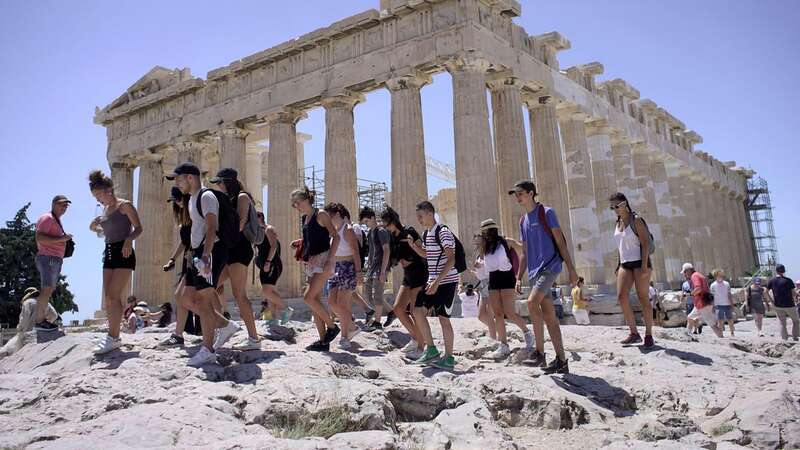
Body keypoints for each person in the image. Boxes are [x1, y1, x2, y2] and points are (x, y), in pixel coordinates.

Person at [168, 162, 242, 366]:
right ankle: (226, 325)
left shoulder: (206, 196)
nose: (176, 183)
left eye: (178, 178)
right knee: (184, 298)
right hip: (197, 253)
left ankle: (208, 349)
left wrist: (207, 256)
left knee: (203, 300)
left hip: (210, 252)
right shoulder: (192, 199)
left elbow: (212, 227)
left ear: (190, 177)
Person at [510, 180, 577, 374]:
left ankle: (539, 352)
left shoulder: (547, 213)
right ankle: (561, 360)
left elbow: (560, 242)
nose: (517, 197)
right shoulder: (523, 221)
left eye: (520, 193)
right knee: (549, 315)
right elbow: (524, 251)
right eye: (516, 194)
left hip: (550, 267)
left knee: (531, 303)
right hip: (534, 271)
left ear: (531, 193)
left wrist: (571, 269)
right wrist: (518, 276)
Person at [88, 170, 142, 355]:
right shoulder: (104, 210)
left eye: (99, 195)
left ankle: (113, 337)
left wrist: (129, 240)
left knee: (113, 294)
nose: (98, 200)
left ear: (109, 190)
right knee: (110, 298)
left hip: (124, 252)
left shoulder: (124, 206)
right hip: (108, 252)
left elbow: (139, 228)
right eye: (95, 197)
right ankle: (113, 336)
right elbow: (105, 232)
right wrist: (94, 226)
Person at [210, 168, 261, 350]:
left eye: (220, 182)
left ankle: (254, 339)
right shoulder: (227, 198)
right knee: (209, 287)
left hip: (239, 249)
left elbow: (239, 224)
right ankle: (224, 326)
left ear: (228, 181)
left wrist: (219, 236)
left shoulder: (242, 197)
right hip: (228, 248)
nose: (218, 186)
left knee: (240, 295)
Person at [407, 201, 460, 369]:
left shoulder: (443, 232)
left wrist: (437, 282)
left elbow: (451, 259)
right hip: (433, 282)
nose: (419, 220)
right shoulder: (427, 233)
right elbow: (428, 255)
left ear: (430, 213)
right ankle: (431, 350)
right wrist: (413, 247)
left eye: (421, 216)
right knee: (417, 311)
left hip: (446, 282)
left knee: (444, 319)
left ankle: (449, 358)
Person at [292, 186, 341, 351]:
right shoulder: (305, 218)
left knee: (308, 298)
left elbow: (335, 236)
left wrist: (330, 259)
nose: (295, 206)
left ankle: (332, 327)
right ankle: (323, 342)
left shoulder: (321, 214)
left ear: (306, 200)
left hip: (323, 260)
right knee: (315, 302)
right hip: (312, 262)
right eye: (294, 204)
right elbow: (313, 237)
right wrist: (300, 242)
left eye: (297, 203)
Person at [476, 218, 533, 360]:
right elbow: (489, 263)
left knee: (509, 312)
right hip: (493, 279)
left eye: (489, 231)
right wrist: (479, 265)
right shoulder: (485, 247)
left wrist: (520, 273)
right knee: (498, 314)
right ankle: (503, 345)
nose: (487, 234)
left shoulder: (506, 241)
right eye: (485, 232)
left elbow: (523, 252)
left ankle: (527, 333)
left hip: (507, 278)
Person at [609, 192, 655, 348]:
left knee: (643, 299)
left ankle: (649, 334)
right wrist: (618, 264)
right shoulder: (618, 222)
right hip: (625, 263)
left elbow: (645, 243)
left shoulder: (636, 219)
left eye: (616, 206)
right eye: (612, 207)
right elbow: (620, 246)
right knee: (621, 297)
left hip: (640, 263)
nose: (614, 209)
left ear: (624, 203)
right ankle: (633, 332)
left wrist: (643, 266)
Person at [380, 206, 426, 360]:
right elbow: (392, 259)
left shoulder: (410, 232)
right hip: (408, 275)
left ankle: (421, 347)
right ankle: (416, 339)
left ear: (394, 221)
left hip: (419, 272)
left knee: (414, 311)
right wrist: (384, 272)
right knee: (398, 309)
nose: (386, 227)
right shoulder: (392, 237)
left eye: (387, 224)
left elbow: (424, 253)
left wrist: (413, 245)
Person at [160, 187, 202, 346]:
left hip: (198, 259)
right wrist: (172, 259)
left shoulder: (196, 215)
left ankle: (219, 323)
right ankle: (178, 334)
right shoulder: (185, 220)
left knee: (185, 296)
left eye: (178, 199)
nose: (177, 203)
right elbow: (184, 243)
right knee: (181, 296)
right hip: (188, 258)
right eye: (174, 201)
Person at [324, 203, 362, 350]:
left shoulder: (348, 230)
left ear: (337, 214)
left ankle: (345, 337)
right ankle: (352, 326)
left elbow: (356, 252)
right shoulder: (333, 231)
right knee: (332, 302)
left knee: (342, 304)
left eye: (329, 216)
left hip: (348, 267)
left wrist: (359, 273)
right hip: (335, 268)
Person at [33, 195, 72, 332]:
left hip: (53, 258)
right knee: (47, 289)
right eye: (62, 204)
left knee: (48, 289)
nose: (64, 208)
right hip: (48, 257)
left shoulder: (56, 220)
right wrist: (62, 239)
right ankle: (39, 321)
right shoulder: (48, 218)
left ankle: (41, 320)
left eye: (66, 205)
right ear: (54, 204)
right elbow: (39, 238)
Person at [359, 207, 396, 331]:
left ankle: (378, 322)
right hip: (371, 268)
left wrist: (384, 270)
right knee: (367, 295)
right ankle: (391, 312)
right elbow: (371, 252)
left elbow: (386, 250)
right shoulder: (370, 233)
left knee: (378, 295)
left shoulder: (381, 231)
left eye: (366, 221)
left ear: (372, 218)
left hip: (381, 267)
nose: (366, 224)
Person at [0, 287, 60, 357]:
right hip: (42, 332)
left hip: (28, 334)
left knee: (17, 352)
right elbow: (54, 315)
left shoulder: (27, 302)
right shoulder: (45, 303)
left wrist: (19, 328)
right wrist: (46, 321)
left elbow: (23, 320)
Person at [255, 211, 291, 325]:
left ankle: (286, 309)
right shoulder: (258, 232)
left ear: (260, 217)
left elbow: (274, 245)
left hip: (272, 264)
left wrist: (268, 262)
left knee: (266, 291)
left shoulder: (268, 229)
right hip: (263, 265)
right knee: (269, 293)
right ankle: (273, 319)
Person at [683, 263, 722, 339]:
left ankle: (722, 338)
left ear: (688, 271)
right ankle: (688, 335)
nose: (684, 274)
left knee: (712, 324)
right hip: (702, 302)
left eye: (684, 272)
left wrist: (690, 294)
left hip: (702, 303)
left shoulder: (694, 276)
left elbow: (698, 288)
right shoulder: (699, 275)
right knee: (690, 317)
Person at [470, 233, 497, 341]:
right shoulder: (478, 256)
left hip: (491, 283)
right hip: (483, 285)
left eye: (478, 242)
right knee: (481, 315)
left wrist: (481, 266)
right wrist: (474, 271)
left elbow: (493, 268)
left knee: (490, 314)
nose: (476, 244)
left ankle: (494, 338)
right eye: (475, 242)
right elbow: (480, 274)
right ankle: (495, 328)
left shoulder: (488, 254)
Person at [766, 264, 798, 341]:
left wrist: (771, 301)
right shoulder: (788, 280)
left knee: (782, 323)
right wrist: (795, 300)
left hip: (777, 305)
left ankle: (784, 339)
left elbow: (765, 291)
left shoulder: (772, 280)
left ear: (776, 271)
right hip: (789, 304)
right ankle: (795, 337)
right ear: (783, 271)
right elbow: (793, 293)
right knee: (796, 321)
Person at [710, 269, 735, 337]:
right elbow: (712, 297)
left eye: (721, 275)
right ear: (715, 276)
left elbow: (729, 294)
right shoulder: (713, 285)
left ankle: (732, 333)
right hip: (718, 305)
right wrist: (712, 306)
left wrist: (732, 304)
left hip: (727, 304)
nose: (721, 276)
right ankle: (721, 334)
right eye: (719, 275)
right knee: (720, 321)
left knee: (730, 319)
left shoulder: (727, 284)